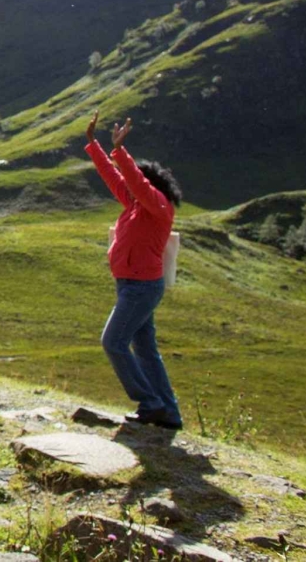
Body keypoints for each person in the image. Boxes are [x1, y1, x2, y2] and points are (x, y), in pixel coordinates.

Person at [85, 111, 185, 429]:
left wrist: (120, 151)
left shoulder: (158, 206)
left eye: (137, 181)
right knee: (145, 349)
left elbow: (135, 182)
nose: (129, 184)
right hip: (130, 284)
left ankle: (150, 403)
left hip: (141, 286)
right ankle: (168, 413)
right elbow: (116, 179)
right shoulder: (135, 205)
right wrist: (93, 145)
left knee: (113, 342)